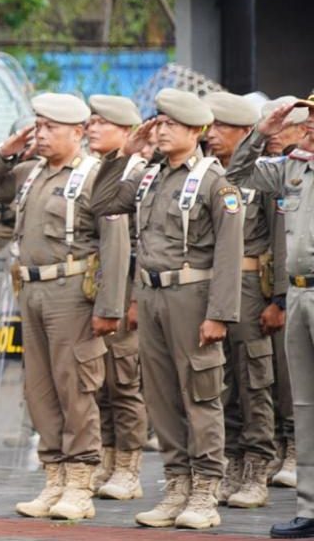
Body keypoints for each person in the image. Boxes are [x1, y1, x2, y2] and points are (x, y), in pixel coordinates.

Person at [92, 88, 243, 530]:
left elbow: (229, 253)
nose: (161, 131)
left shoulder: (215, 182)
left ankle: (205, 491)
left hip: (193, 297)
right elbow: (103, 203)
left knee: (200, 394)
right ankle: (176, 486)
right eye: (158, 123)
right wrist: (125, 154)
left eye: (171, 125)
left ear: (196, 131)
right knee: (160, 397)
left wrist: (219, 314)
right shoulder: (150, 176)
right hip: (152, 295)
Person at [0, 93, 130, 521]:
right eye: (38, 126)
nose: (41, 135)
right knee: (40, 389)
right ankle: (54, 477)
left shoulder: (96, 176)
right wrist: (6, 151)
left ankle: (79, 482)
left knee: (75, 387)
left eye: (51, 128)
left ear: (78, 132)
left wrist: (109, 307)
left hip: (73, 292)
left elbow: (115, 247)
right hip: (32, 290)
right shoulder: (30, 173)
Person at [219, 99, 314, 539]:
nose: (308, 126)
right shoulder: (293, 169)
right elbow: (237, 176)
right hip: (298, 292)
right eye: (308, 118)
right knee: (305, 405)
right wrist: (261, 131)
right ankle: (310, 507)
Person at [203, 91, 281, 509]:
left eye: (222, 127)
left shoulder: (264, 176)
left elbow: (279, 239)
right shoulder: (206, 174)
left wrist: (278, 298)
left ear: (246, 132)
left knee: (255, 379)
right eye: (210, 126)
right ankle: (231, 461)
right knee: (222, 381)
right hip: (214, 285)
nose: (211, 134)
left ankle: (257, 467)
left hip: (251, 286)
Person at [84, 95, 149, 501]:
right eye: (90, 121)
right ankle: (107, 459)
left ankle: (129, 467)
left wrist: (134, 298)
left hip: (125, 290)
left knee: (124, 382)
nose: (91, 128)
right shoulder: (102, 171)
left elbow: (136, 245)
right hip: (100, 288)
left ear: (127, 131)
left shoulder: (138, 172)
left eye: (101, 122)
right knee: (101, 382)